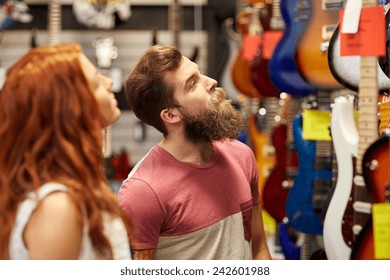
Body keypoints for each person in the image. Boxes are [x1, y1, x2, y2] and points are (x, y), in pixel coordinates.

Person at [118, 44, 271, 260]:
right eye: (193, 83)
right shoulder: (143, 193)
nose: (212, 82)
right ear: (170, 115)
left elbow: (259, 248)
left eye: (200, 74)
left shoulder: (242, 156)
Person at [0, 43, 132, 260]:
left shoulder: (71, 192)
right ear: (68, 108)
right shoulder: (58, 207)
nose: (109, 83)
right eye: (96, 82)